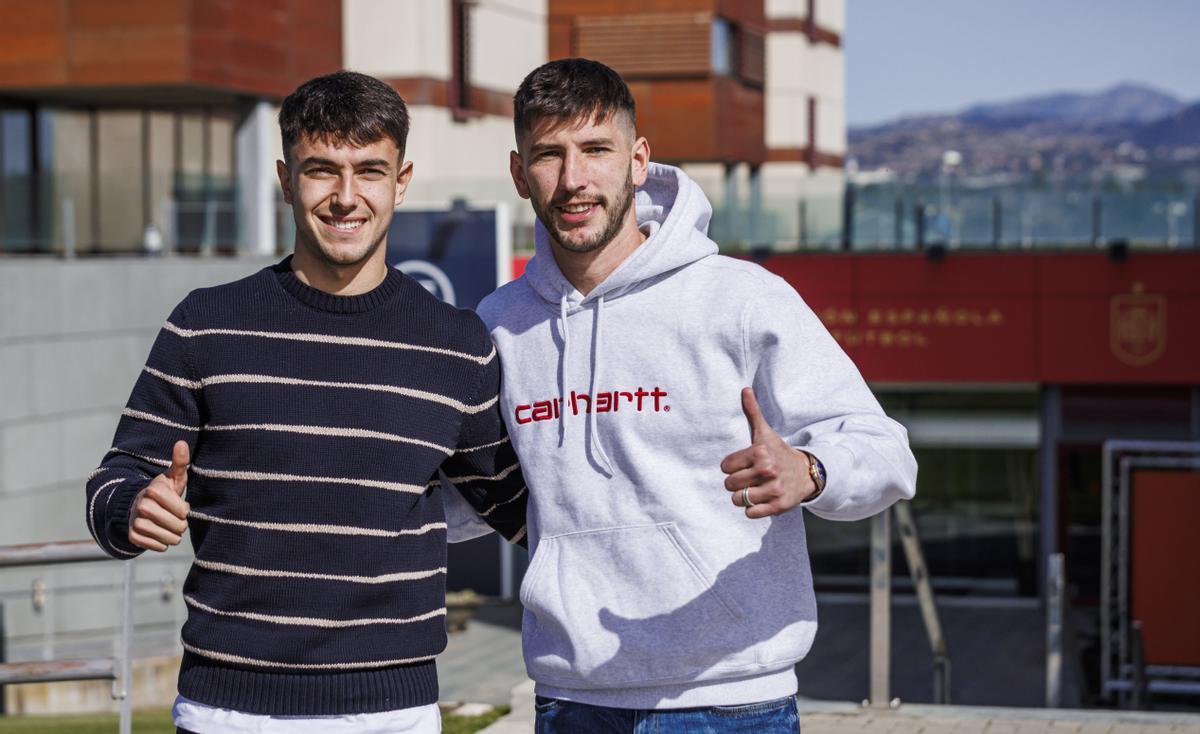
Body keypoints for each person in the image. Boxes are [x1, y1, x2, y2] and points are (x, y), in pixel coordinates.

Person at [475, 58, 918, 732]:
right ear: (518, 172)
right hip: (573, 702)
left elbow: (887, 454)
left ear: (637, 160)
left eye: (597, 150)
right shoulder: (501, 325)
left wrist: (812, 470)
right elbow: (465, 495)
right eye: (548, 155)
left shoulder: (738, 299)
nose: (574, 179)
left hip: (734, 701)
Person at [84, 71, 527, 734]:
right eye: (322, 170)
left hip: (392, 717)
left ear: (400, 182)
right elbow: (115, 476)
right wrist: (129, 508)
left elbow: (531, 510)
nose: (346, 197)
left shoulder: (456, 345)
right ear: (286, 178)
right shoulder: (205, 325)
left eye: (369, 171)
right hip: (226, 714)